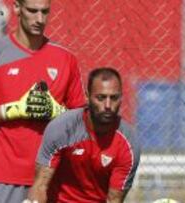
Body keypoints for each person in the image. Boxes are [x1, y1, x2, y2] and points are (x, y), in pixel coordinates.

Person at [0, 0, 86, 202]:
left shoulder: (65, 59)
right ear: (17, 8)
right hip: (2, 178)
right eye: (32, 11)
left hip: (51, 178)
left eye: (45, 12)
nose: (40, 19)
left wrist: (59, 114)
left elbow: (85, 124)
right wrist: (14, 109)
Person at [27, 67, 140, 203]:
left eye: (114, 98)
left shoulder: (128, 144)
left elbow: (114, 199)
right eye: (101, 98)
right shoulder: (62, 127)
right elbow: (40, 186)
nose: (108, 105)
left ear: (121, 98)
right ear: (87, 96)